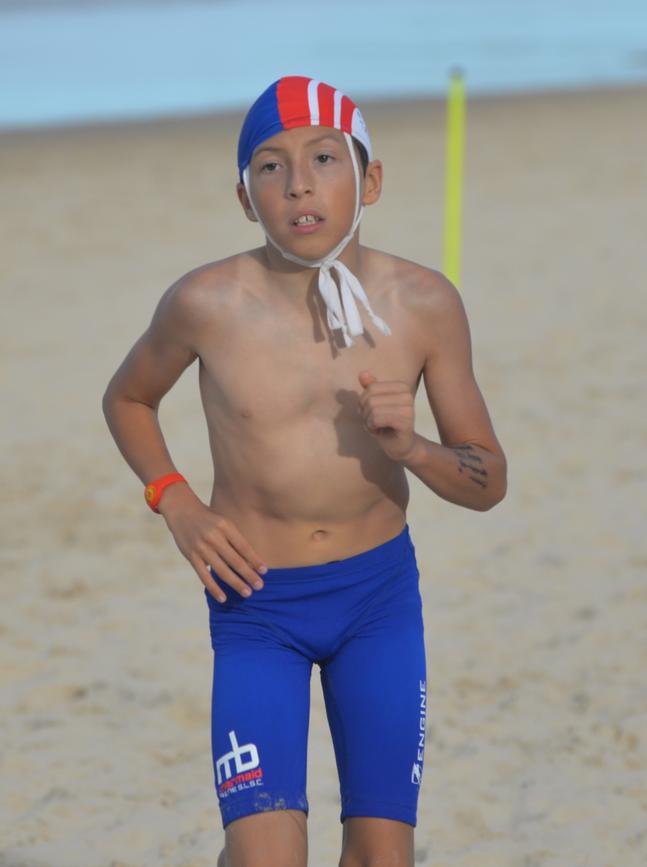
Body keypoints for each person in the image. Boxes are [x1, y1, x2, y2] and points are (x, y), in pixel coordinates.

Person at [102, 74, 507, 867]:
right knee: (264, 859)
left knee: (384, 856)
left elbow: (488, 481)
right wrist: (175, 499)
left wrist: (413, 449)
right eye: (271, 166)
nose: (299, 185)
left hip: (377, 601)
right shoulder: (206, 302)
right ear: (247, 198)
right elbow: (127, 398)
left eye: (325, 157)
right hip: (256, 605)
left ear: (371, 179)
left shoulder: (425, 302)